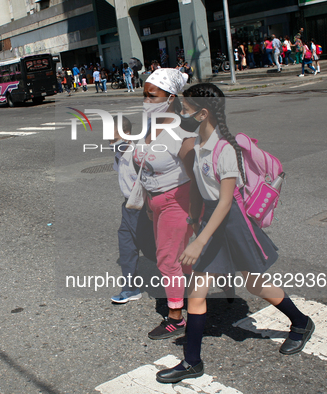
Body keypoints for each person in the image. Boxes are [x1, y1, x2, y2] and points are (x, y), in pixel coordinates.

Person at [156, 83, 314, 383]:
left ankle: (301, 322)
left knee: (255, 285)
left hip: (233, 224)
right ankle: (192, 361)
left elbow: (226, 202)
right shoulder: (198, 146)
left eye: (185, 110)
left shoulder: (224, 149)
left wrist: (200, 239)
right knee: (197, 292)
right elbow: (202, 192)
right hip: (211, 224)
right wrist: (193, 222)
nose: (181, 114)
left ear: (203, 114)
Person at [132, 68, 201, 340]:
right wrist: (150, 202)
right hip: (157, 201)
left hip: (179, 200)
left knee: (167, 260)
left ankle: (176, 317)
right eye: (144, 95)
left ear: (171, 97)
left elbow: (195, 174)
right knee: (179, 258)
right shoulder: (151, 124)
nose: (146, 101)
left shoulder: (181, 130)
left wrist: (194, 213)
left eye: (152, 96)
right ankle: (198, 297)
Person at [109, 116, 158, 303]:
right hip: (128, 207)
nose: (111, 144)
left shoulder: (138, 153)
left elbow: (149, 182)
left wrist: (150, 209)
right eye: (108, 141)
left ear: (126, 134)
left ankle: (183, 282)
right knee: (126, 247)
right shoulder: (119, 154)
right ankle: (130, 289)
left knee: (153, 250)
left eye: (113, 139)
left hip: (144, 208)